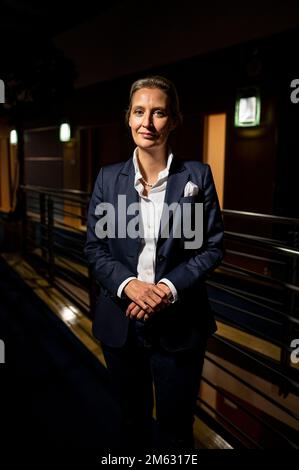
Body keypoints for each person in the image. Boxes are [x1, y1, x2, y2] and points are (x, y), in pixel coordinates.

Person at [84, 75, 224, 451]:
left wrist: (167, 289)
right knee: (131, 423)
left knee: (177, 428)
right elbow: (95, 248)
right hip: (121, 322)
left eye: (158, 112)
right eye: (139, 111)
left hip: (180, 324)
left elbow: (207, 249)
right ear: (128, 118)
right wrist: (130, 285)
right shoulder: (108, 179)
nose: (147, 122)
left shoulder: (195, 178)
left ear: (174, 120)